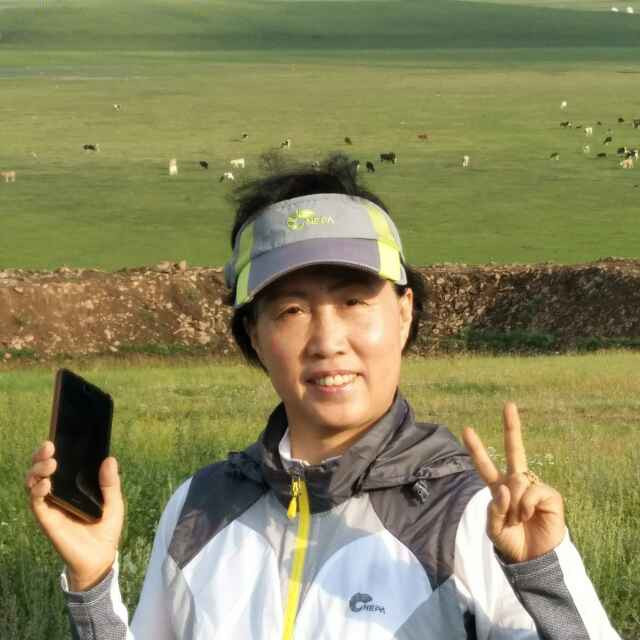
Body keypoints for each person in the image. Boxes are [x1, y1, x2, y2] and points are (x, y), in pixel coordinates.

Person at [26, 155, 620, 639]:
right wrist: (92, 584)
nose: (328, 341)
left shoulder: (474, 517)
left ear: (404, 312)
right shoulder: (198, 510)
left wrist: (542, 578)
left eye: (354, 301)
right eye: (291, 310)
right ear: (253, 336)